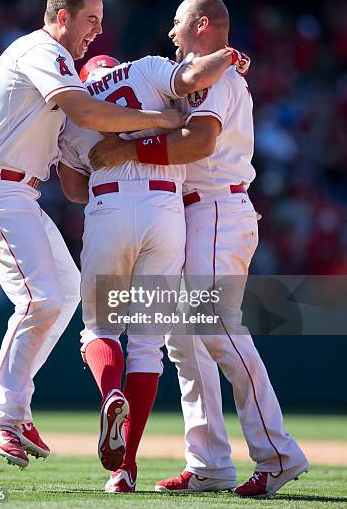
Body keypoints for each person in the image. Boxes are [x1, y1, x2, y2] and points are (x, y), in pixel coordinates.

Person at [0, 0, 184, 470]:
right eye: (90, 20)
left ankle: (12, 407)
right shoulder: (43, 51)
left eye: (101, 21)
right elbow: (84, 110)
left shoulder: (58, 66)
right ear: (62, 17)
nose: (97, 31)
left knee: (66, 291)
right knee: (41, 297)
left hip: (17, 190)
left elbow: (76, 173)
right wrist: (161, 121)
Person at [88, 0, 309, 499]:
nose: (170, 32)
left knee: (217, 330)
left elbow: (199, 143)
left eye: (178, 22)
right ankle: (209, 462)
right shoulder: (206, 72)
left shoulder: (221, 79)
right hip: (193, 211)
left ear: (202, 25)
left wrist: (126, 148)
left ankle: (278, 453)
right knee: (183, 341)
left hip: (215, 208)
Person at [58, 46, 249, 493]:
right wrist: (230, 57)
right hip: (165, 208)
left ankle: (111, 395)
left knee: (100, 330)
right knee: (147, 346)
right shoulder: (145, 69)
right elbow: (191, 79)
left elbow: (72, 189)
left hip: (107, 203)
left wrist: (110, 171)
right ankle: (124, 470)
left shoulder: (76, 107)